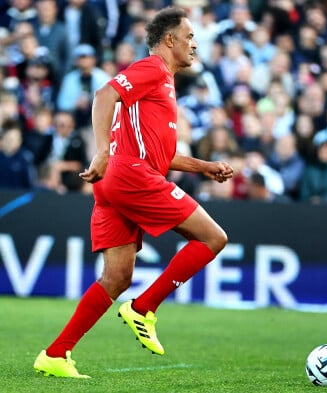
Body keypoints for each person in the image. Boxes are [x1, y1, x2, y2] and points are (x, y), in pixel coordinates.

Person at [33, 7, 234, 378]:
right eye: (189, 36)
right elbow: (103, 94)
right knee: (213, 238)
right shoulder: (154, 67)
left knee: (117, 277)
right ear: (169, 40)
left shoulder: (163, 84)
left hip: (117, 181)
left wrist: (205, 167)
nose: (195, 43)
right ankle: (143, 309)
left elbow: (161, 154)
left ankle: (56, 354)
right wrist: (102, 149)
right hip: (128, 174)